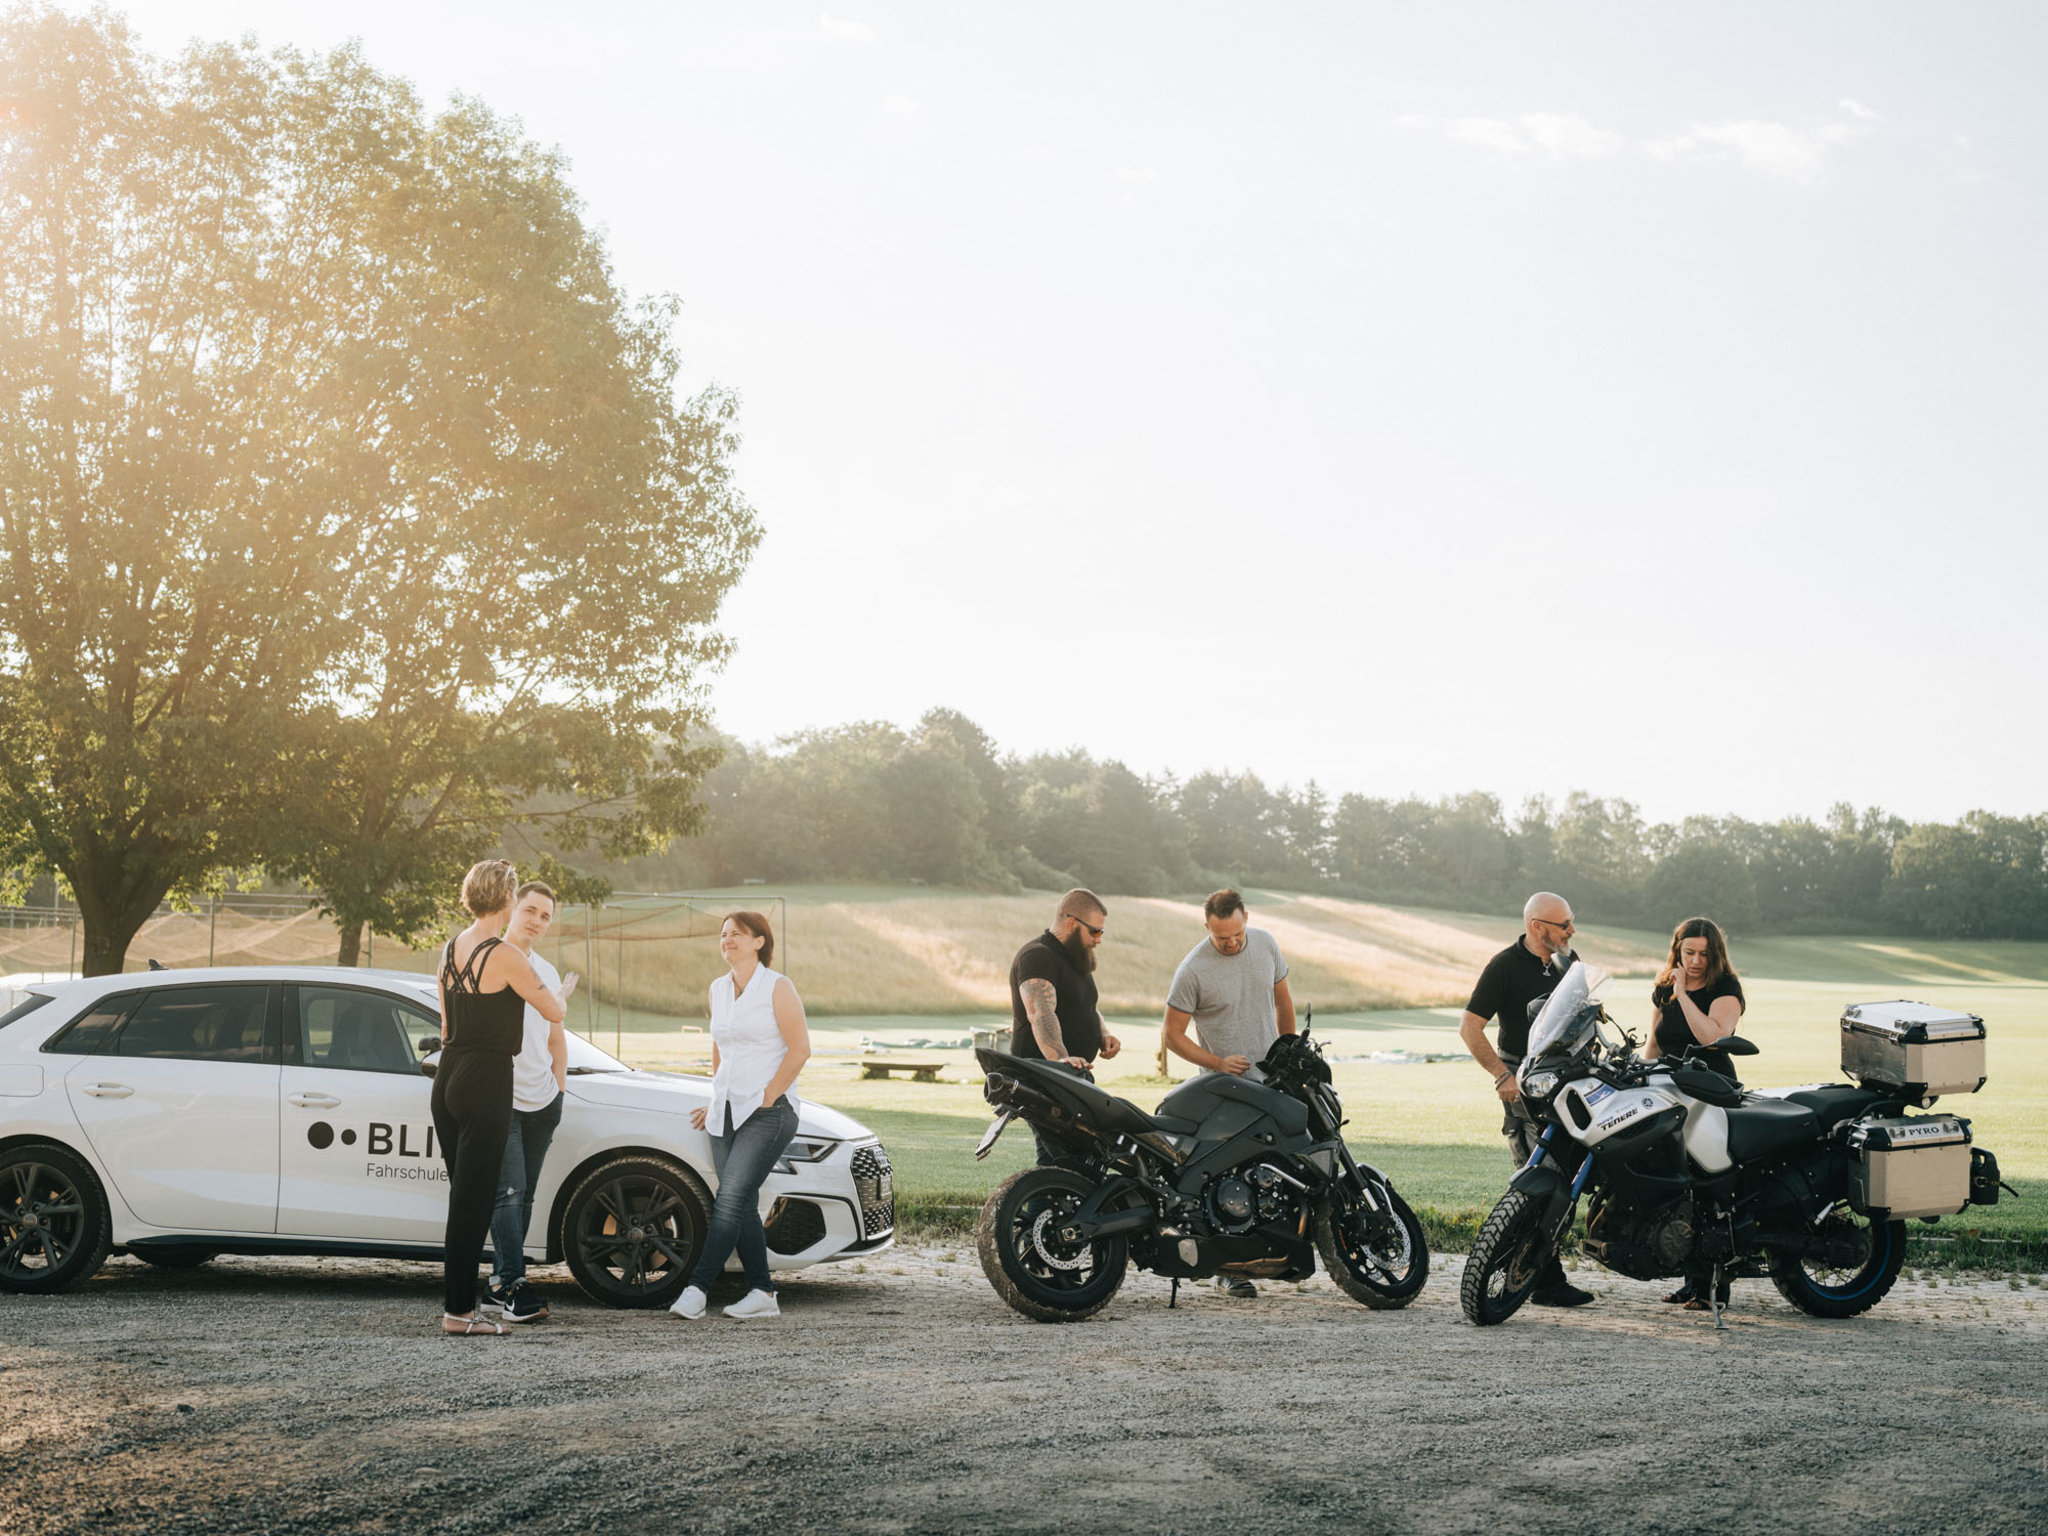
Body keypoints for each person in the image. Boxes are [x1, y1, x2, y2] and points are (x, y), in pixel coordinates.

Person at [433, 859, 568, 1337]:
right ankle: (459, 1314)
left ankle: (460, 1308)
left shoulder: (451, 948)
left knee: (464, 1200)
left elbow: (448, 1027)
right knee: (474, 1204)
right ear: (508, 900)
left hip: (448, 1076)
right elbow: (553, 1009)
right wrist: (560, 993)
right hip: (487, 1079)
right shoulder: (508, 955)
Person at [1457, 891, 1596, 1309]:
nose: (1572, 930)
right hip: (1526, 1082)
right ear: (1538, 926)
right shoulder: (1503, 967)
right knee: (1540, 1172)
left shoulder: (1569, 963)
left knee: (1571, 1172)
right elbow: (1470, 1028)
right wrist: (1502, 1075)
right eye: (1564, 924)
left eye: (1571, 921)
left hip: (1571, 1079)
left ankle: (1544, 1270)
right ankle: (1542, 1278)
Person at [671, 911, 811, 1322]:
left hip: (770, 1112)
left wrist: (767, 1097)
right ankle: (763, 1293)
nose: (727, 940)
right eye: (723, 934)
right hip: (725, 1112)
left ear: (759, 942)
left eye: (736, 934)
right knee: (743, 1202)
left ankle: (696, 1289)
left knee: (728, 1199)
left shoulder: (778, 987)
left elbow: (799, 1049)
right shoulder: (717, 989)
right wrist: (718, 1097)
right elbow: (721, 1048)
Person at [1161, 888, 1296, 1299]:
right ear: (1207, 928)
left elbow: (1283, 1002)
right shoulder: (1193, 970)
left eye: (1238, 933)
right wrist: (1218, 1063)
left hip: (1272, 1081)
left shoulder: (1267, 944)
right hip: (1225, 1088)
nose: (1233, 942)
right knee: (1228, 1178)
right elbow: (1172, 1035)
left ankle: (1279, 1251)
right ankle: (1227, 1269)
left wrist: (1288, 1054)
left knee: (1276, 1170)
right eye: (1223, 938)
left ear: (1245, 918)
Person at [484, 881, 579, 1324]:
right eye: (530, 910)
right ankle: (512, 1284)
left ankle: (499, 1284)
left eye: (545, 915)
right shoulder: (489, 960)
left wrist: (558, 1091)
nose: (537, 921)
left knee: (524, 1198)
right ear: (512, 908)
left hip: (543, 1101)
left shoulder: (547, 970)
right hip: (501, 1097)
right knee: (508, 1192)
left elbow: (555, 1036)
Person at [1644, 915, 1747, 1310]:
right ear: (1677, 950)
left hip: (1711, 1092)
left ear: (1715, 954)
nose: (1696, 961)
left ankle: (1713, 1288)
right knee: (1679, 1188)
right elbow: (1655, 1042)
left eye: (1704, 954)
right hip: (1669, 1094)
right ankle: (1690, 1281)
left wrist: (1684, 994)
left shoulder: (1726, 988)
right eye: (1689, 952)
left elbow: (1713, 1037)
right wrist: (1639, 1073)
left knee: (1709, 1188)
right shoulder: (1663, 988)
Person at [1008, 889, 1122, 1168]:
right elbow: (1039, 1012)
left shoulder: (1075, 957)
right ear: (1072, 923)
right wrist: (1060, 1061)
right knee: (1078, 1164)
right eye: (1094, 932)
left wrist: (1103, 1032)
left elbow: (1085, 1005)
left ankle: (1038, 1211)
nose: (1099, 940)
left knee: (1054, 1168)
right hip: (1046, 1078)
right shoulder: (1038, 956)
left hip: (1070, 1079)